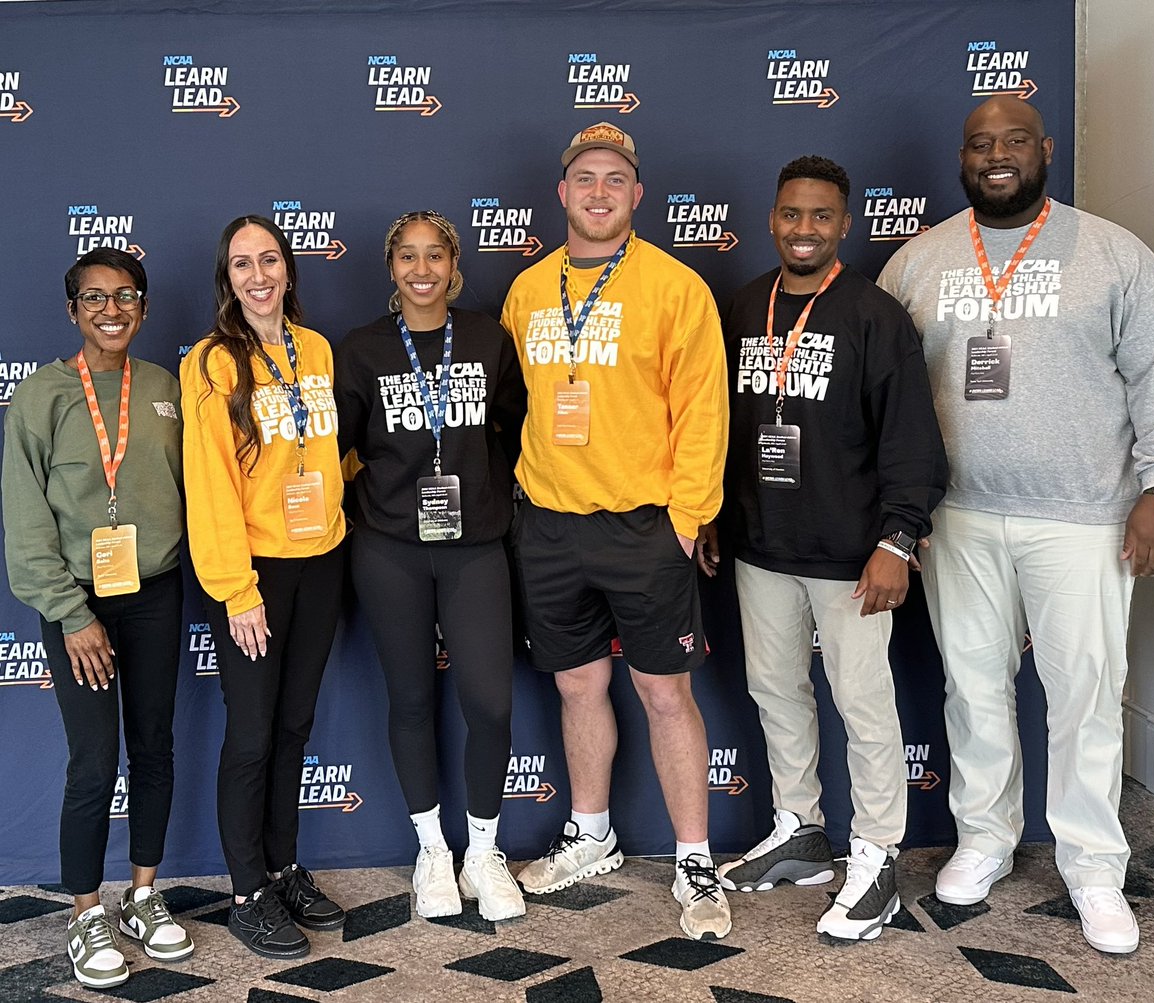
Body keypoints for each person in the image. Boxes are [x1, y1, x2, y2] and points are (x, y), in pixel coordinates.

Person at [878, 96, 1154, 954]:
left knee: (1086, 694)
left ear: (1045, 150)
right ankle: (985, 837)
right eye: (981, 143)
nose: (998, 155)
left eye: (1014, 140)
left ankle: (1093, 864)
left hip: (1084, 513)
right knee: (973, 688)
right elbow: (885, 396)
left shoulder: (1112, 253)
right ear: (963, 156)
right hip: (959, 515)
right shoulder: (920, 258)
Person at [700, 156, 947, 941]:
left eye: (820, 216)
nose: (803, 229)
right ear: (771, 218)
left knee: (864, 703)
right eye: (790, 214)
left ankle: (876, 855)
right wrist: (713, 514)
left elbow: (911, 441)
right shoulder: (743, 306)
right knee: (775, 689)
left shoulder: (874, 316)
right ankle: (800, 830)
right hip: (761, 543)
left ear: (846, 224)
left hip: (851, 552)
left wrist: (897, 540)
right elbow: (721, 429)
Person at [501, 122, 732, 940]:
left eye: (615, 180)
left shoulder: (675, 287)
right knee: (575, 686)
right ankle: (591, 832)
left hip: (643, 527)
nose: (599, 192)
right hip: (551, 526)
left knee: (666, 692)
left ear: (637, 195)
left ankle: (694, 855)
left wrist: (684, 520)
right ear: (562, 193)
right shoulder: (528, 290)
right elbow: (514, 407)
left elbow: (705, 412)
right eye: (584, 179)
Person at [1, 249, 193, 988]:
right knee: (92, 760)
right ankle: (86, 910)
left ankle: (143, 894)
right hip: (77, 599)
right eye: (94, 299)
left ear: (142, 307)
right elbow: (25, 521)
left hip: (155, 591)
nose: (111, 310)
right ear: (74, 310)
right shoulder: (42, 395)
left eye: (125, 297)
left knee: (154, 746)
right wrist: (70, 613)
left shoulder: (163, 389)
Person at [335, 210, 527, 921]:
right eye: (408, 257)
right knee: (412, 699)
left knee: (491, 702)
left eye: (435, 256)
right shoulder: (362, 349)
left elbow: (510, 426)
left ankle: (482, 849)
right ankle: (432, 850)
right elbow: (341, 446)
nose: (422, 270)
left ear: (454, 265)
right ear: (391, 269)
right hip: (390, 549)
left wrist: (475, 487)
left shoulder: (485, 337)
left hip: (475, 547)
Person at [181, 215, 347, 959]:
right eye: (243, 263)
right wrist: (235, 588)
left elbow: (324, 453)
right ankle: (247, 891)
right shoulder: (214, 363)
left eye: (270, 259)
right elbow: (210, 482)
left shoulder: (314, 349)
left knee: (293, 727)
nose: (258, 275)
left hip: (322, 560)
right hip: (254, 572)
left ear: (287, 269)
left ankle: (282, 865)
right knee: (251, 735)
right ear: (228, 277)